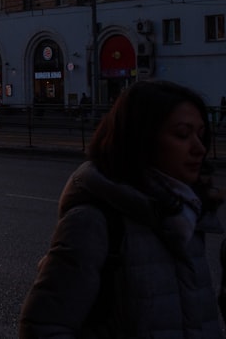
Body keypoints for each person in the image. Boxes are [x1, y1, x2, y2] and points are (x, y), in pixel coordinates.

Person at [19, 80, 223, 338]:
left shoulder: (187, 213)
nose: (200, 148)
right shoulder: (93, 221)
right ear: (141, 138)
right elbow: (43, 328)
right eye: (182, 134)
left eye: (201, 134)